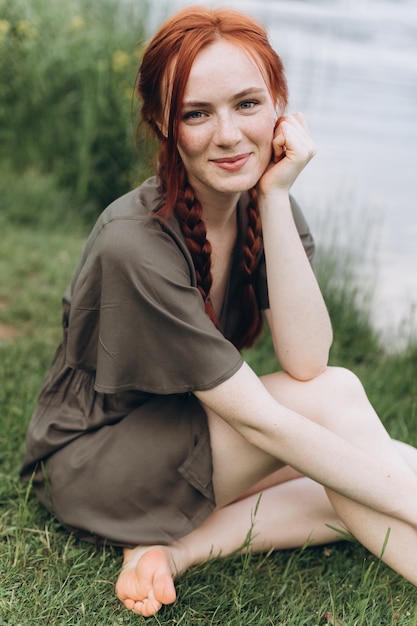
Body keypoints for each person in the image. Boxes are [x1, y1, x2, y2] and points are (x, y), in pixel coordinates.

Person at [20, 5, 417, 618]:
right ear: (163, 123)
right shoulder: (136, 242)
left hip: (181, 431)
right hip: (97, 460)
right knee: (344, 422)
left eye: (248, 105)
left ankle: (173, 551)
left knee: (357, 469)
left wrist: (278, 196)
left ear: (279, 105)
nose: (229, 135)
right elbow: (273, 419)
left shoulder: (256, 193)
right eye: (196, 114)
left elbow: (306, 358)